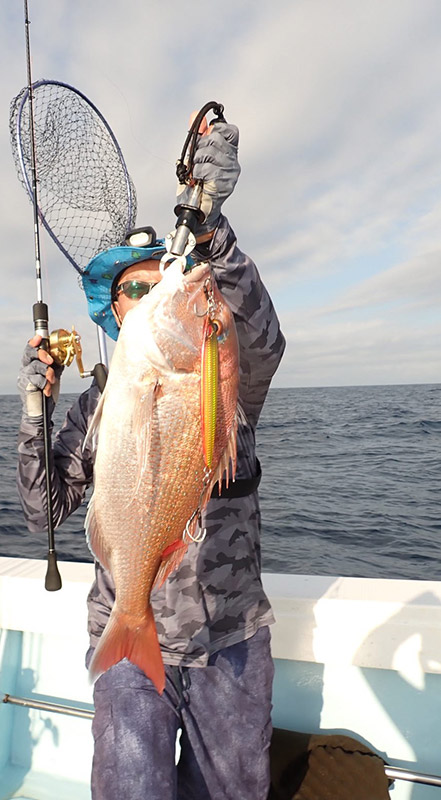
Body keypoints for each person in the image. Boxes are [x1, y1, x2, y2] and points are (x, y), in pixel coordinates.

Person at [16, 118, 285, 800]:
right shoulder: (94, 408)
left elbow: (259, 333)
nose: (158, 290)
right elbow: (43, 511)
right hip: (128, 632)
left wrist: (211, 228)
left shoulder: (222, 379)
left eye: (164, 279)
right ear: (114, 313)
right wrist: (35, 412)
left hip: (231, 638)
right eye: (134, 289)